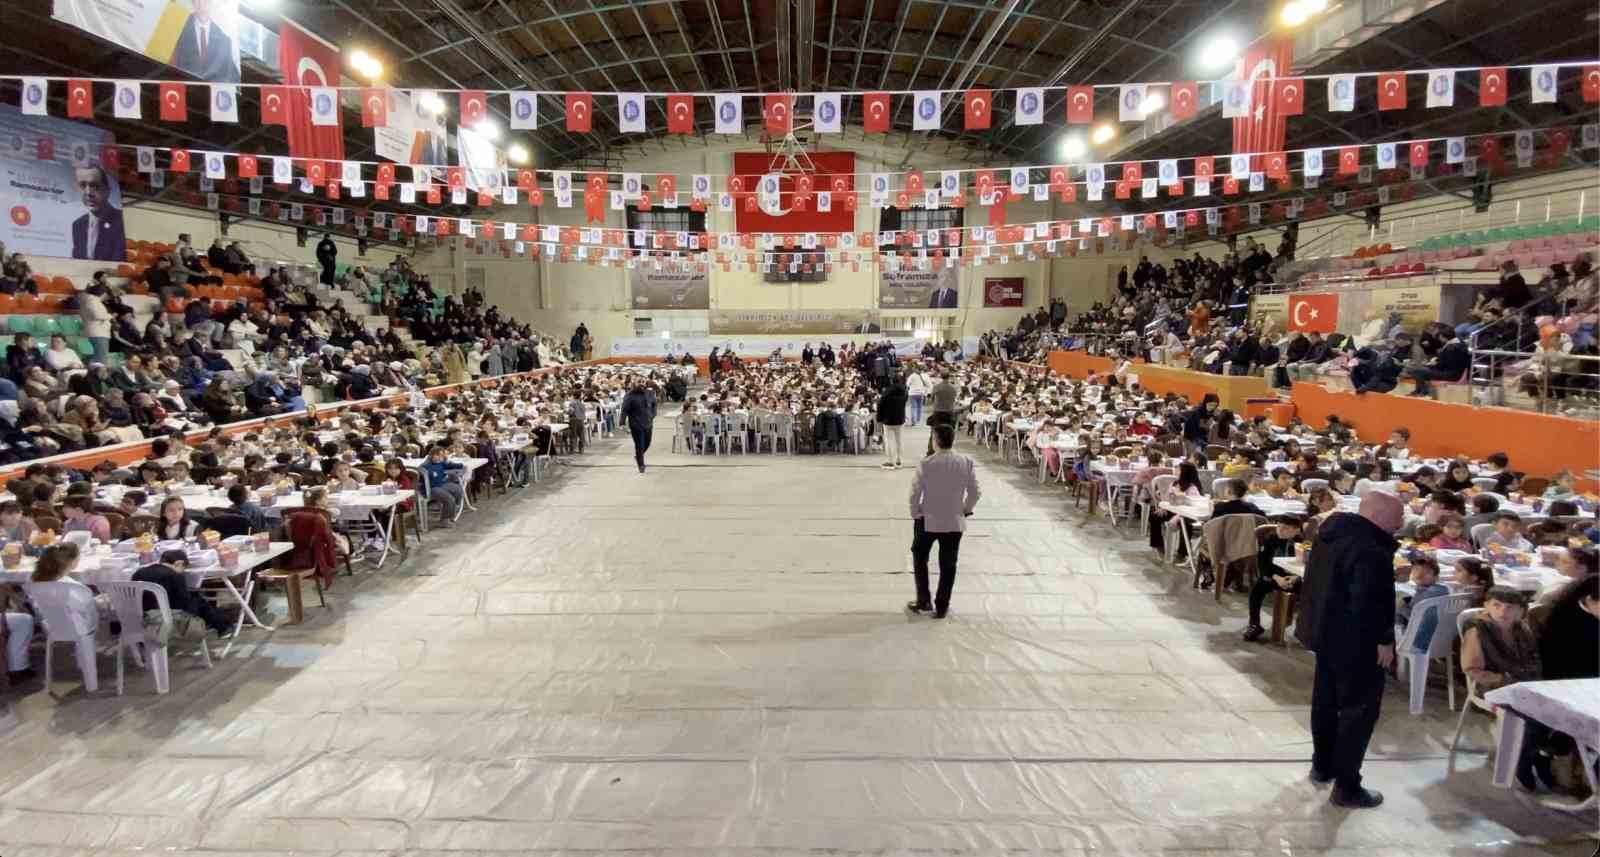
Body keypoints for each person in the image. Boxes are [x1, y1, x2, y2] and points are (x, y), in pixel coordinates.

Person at [1295, 490, 1405, 809]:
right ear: (1379, 516)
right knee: (1359, 711)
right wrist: (1384, 640)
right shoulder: (1371, 548)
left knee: (1326, 701)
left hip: (1325, 632)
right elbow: (1370, 601)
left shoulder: (1332, 533)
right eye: (1397, 517)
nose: (1401, 524)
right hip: (1356, 641)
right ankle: (1347, 785)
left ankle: (1323, 764)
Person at [1459, 587, 1545, 789]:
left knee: (1556, 709)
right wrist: (1507, 680)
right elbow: (1472, 669)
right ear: (1487, 606)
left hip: (1523, 683)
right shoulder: (1477, 630)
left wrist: (1531, 682)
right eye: (1496, 605)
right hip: (1491, 686)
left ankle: (1540, 754)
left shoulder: (1521, 629)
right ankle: (1523, 759)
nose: (1503, 611)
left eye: (1510, 607)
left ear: (1521, 611)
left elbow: (1534, 659)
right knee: (1533, 716)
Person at [906, 424, 980, 619]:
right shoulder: (966, 462)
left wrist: (915, 512)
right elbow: (975, 492)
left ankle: (924, 601)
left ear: (935, 440)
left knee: (920, 556)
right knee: (949, 563)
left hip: (928, 518)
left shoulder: (926, 463)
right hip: (955, 520)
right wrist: (965, 510)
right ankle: (942, 605)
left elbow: (915, 493)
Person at [134, 549, 239, 637]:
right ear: (178, 563)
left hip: (139, 617)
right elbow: (183, 604)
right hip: (164, 619)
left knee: (197, 600)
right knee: (198, 600)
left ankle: (222, 624)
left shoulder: (139, 573)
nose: (182, 571)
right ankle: (223, 627)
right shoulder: (174, 576)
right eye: (183, 569)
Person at [168, 0, 239, 82]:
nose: (201, 3)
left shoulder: (225, 41)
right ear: (193, 2)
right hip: (180, 90)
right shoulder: (177, 28)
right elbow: (165, 65)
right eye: (198, 0)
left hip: (211, 93)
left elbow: (233, 79)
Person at [70, 166, 125, 262]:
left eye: (94, 186)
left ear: (107, 190)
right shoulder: (77, 225)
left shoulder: (120, 221)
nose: (88, 192)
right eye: (83, 186)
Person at [1396, 557, 1449, 652]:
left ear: (1436, 577)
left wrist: (1402, 605)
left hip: (1417, 641)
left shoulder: (1428, 593)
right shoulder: (1443, 590)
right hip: (1442, 640)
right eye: (1416, 569)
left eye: (1427, 572)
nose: (1420, 574)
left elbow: (1413, 616)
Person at [418, 445, 465, 526]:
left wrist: (461, 465)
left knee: (458, 489)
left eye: (441, 456)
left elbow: (450, 465)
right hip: (431, 488)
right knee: (449, 499)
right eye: (437, 455)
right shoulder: (425, 465)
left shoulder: (441, 463)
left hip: (441, 484)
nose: (439, 458)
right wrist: (431, 473)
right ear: (431, 455)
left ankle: (452, 511)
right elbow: (422, 471)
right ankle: (444, 520)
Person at [620, 383, 654, 474]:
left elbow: (654, 404)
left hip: (648, 422)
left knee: (648, 442)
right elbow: (624, 410)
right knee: (639, 445)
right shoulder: (629, 396)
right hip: (636, 424)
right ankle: (641, 464)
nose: (642, 386)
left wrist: (653, 415)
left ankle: (639, 456)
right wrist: (622, 423)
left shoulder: (648, 393)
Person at [877, 374, 908, 470]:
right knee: (899, 440)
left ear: (892, 381)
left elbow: (880, 406)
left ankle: (890, 461)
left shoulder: (886, 393)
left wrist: (879, 419)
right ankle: (899, 461)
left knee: (889, 440)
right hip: (900, 419)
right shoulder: (904, 392)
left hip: (888, 420)